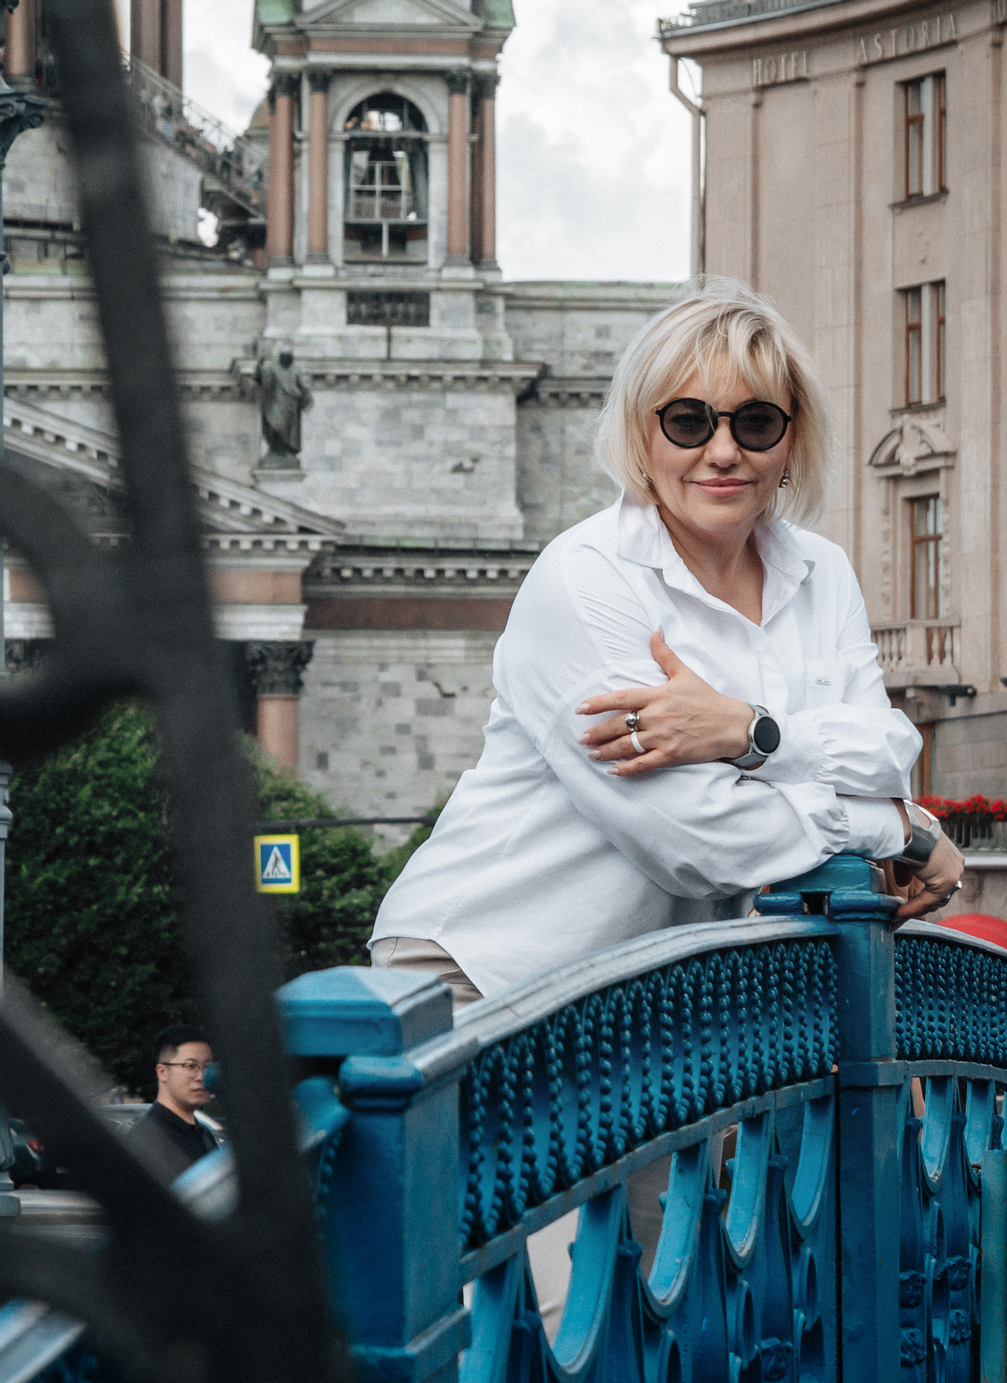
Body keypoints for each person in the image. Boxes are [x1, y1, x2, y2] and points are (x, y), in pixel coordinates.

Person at [370, 278, 965, 1006]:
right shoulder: (587, 578)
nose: (722, 451)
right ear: (641, 432)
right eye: (688, 421)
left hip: (636, 999)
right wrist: (898, 829)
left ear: (791, 438)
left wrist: (748, 733)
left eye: (755, 422)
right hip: (481, 974)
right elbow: (695, 840)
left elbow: (889, 753)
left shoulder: (822, 573)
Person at [125, 1024, 218, 1181]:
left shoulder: (204, 1134)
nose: (201, 1077)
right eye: (190, 1066)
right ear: (162, 1072)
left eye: (207, 1067)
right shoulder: (145, 1141)